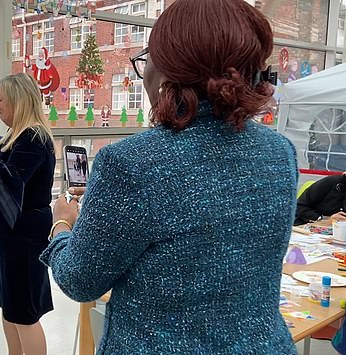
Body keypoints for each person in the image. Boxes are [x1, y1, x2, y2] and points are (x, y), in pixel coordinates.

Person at [40, 0, 298, 353]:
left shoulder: (131, 164)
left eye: (149, 58)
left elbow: (79, 281)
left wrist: (63, 226)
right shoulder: (280, 152)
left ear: (168, 69)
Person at [0, 73, 55, 355]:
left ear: (17, 102)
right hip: (10, 236)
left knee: (24, 312)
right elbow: (0, 157)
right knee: (10, 307)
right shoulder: (16, 136)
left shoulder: (33, 137)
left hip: (24, 237)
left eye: (1, 100)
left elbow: (8, 180)